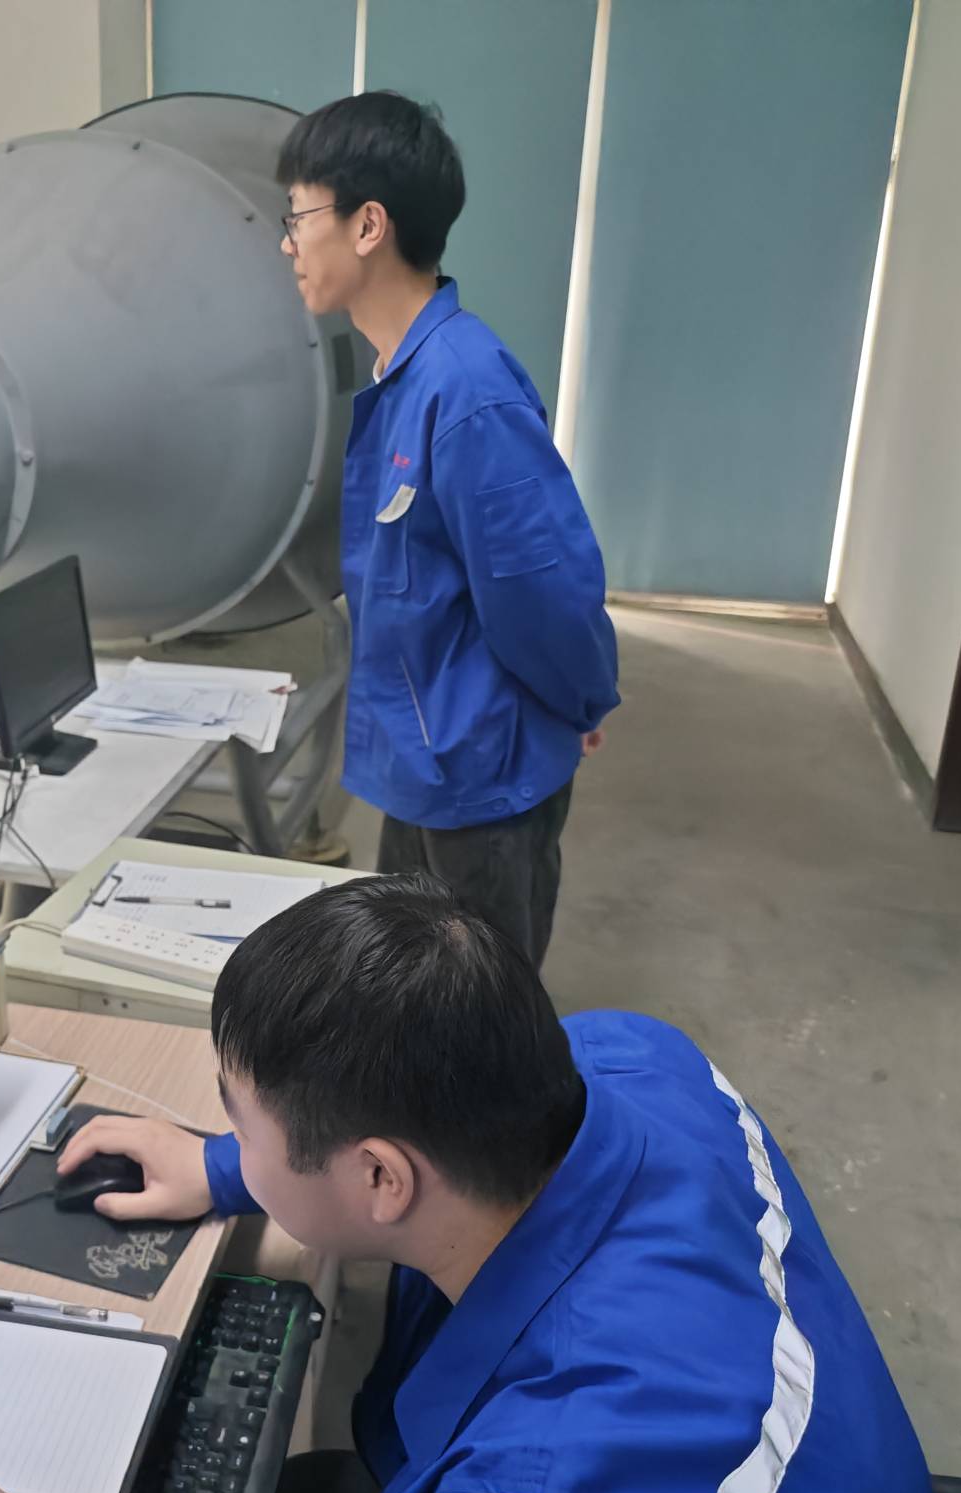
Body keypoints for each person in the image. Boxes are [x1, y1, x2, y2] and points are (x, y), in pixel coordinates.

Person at [0, 876, 941, 1493]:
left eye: (239, 1115)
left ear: (382, 1179)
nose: (230, 1132)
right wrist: (230, 1166)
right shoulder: (630, 1056)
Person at [280, 91, 619, 971]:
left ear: (368, 226)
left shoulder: (466, 389)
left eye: (299, 217)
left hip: (481, 778)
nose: (288, 243)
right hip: (423, 762)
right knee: (410, 1003)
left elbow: (543, 586)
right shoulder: (402, 374)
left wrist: (581, 697)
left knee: (479, 1018)